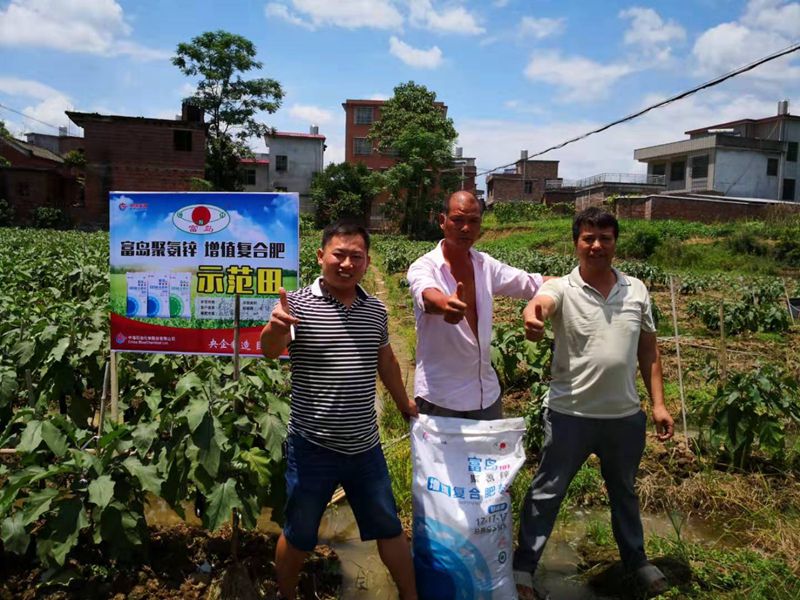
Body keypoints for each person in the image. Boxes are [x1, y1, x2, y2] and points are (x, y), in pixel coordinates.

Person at [512, 207, 675, 600]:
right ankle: (523, 567)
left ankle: (636, 562)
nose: (597, 245)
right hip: (571, 415)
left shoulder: (636, 289)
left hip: (624, 417)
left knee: (624, 492)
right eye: (589, 238)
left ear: (615, 243)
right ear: (576, 243)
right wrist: (533, 317)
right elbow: (540, 305)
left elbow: (649, 350)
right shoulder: (562, 287)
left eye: (605, 237)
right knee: (547, 492)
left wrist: (659, 404)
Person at [261, 220, 419, 600]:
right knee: (299, 534)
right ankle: (286, 594)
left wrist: (404, 403)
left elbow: (386, 361)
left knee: (389, 528)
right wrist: (277, 328)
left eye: (356, 256)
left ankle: (412, 595)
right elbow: (268, 349)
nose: (346, 264)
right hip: (311, 446)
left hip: (365, 447)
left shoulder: (375, 311)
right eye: (339, 255)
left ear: (366, 263)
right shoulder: (295, 304)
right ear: (321, 257)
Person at [407, 190, 545, 419]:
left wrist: (580, 280)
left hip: (486, 397)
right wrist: (446, 305)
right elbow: (427, 294)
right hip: (441, 399)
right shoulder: (425, 266)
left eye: (473, 221)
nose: (466, 228)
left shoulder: (486, 265)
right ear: (442, 221)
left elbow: (531, 283)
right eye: (458, 220)